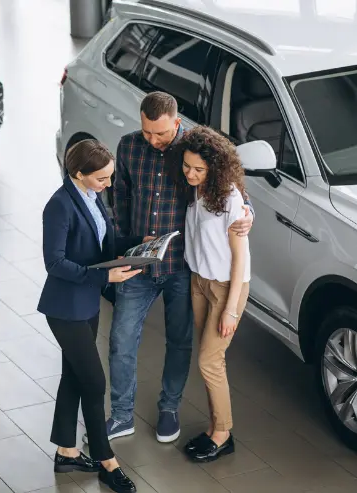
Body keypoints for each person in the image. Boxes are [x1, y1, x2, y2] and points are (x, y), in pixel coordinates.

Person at [92, 92, 254, 446]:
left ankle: (170, 409)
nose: (153, 139)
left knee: (180, 342)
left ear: (176, 124)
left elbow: (231, 186)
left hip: (183, 267)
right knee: (120, 340)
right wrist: (128, 239)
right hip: (138, 262)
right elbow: (119, 195)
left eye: (161, 133)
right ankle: (120, 416)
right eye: (147, 131)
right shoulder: (129, 147)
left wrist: (248, 214)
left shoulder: (192, 152)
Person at [38, 139, 152, 493]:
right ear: (79, 174)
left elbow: (104, 242)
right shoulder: (59, 206)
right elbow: (54, 263)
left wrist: (139, 241)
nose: (108, 184)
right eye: (102, 178)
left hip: (86, 304)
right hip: (65, 309)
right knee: (94, 382)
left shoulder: (92, 196)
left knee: (73, 376)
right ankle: (107, 461)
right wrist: (104, 276)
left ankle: (66, 452)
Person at [165, 125, 251, 462]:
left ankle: (222, 433)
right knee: (211, 359)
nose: (190, 173)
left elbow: (240, 257)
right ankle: (217, 425)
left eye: (199, 169)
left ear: (215, 168)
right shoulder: (194, 190)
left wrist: (231, 310)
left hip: (226, 287)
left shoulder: (229, 197)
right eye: (186, 166)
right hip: (198, 281)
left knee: (208, 361)